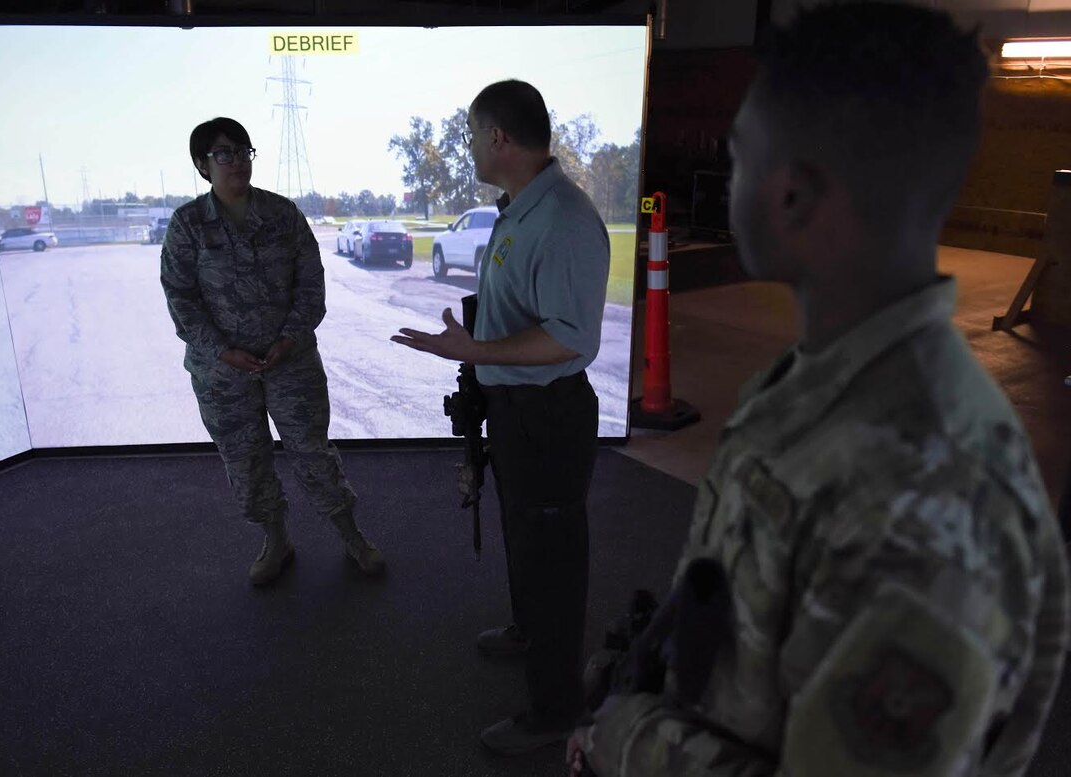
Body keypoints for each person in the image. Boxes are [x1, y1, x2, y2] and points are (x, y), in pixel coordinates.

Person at [569, 4, 1071, 776]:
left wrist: (630, 737)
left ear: (792, 196)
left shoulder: (936, 496)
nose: (728, 179)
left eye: (739, 159)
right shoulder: (821, 376)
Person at [391, 80, 610, 755]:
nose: (469, 148)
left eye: (472, 136)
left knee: (552, 560)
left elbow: (573, 337)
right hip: (516, 408)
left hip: (547, 413)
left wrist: (474, 349)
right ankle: (528, 632)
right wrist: (480, 351)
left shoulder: (565, 219)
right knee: (525, 538)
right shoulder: (520, 209)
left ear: (500, 139)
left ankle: (554, 710)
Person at [160, 117, 384, 586]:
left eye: (243, 151)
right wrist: (222, 351)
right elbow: (180, 298)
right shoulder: (188, 225)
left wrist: (289, 339)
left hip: (292, 362)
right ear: (203, 165)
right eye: (224, 153)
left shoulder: (282, 215)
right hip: (223, 373)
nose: (237, 161)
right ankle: (275, 540)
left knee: (312, 453)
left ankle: (351, 536)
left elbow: (312, 285)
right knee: (245, 460)